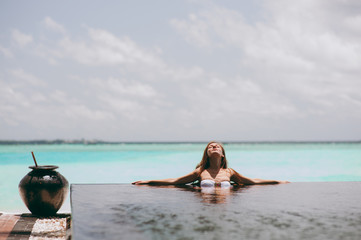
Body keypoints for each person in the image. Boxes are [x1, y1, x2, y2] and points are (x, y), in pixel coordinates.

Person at [132, 141, 289, 187]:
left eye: (217, 146)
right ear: (206, 153)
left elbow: (253, 181)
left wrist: (277, 181)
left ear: (222, 154)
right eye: (210, 147)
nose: (214, 147)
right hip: (204, 209)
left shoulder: (230, 173)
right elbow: (175, 181)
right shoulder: (200, 172)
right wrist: (148, 181)